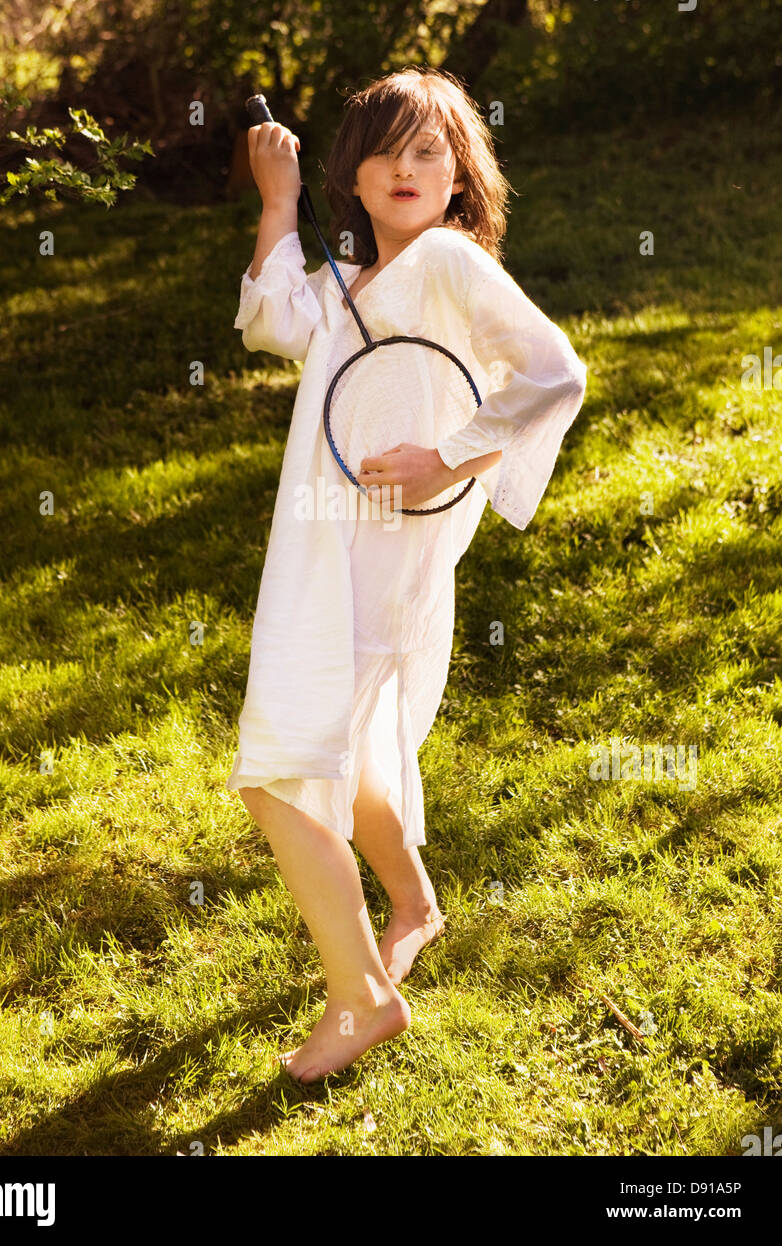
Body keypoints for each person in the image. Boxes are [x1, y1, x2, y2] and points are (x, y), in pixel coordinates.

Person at [225, 66, 587, 1084]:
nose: (403, 165)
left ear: (460, 177)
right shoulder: (349, 278)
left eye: (428, 150)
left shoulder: (443, 260)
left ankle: (359, 999)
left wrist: (451, 453)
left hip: (375, 555)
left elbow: (554, 371)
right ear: (351, 170)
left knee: (277, 768)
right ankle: (415, 907)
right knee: (359, 750)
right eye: (383, 148)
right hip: (330, 548)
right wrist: (279, 203)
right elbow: (268, 321)